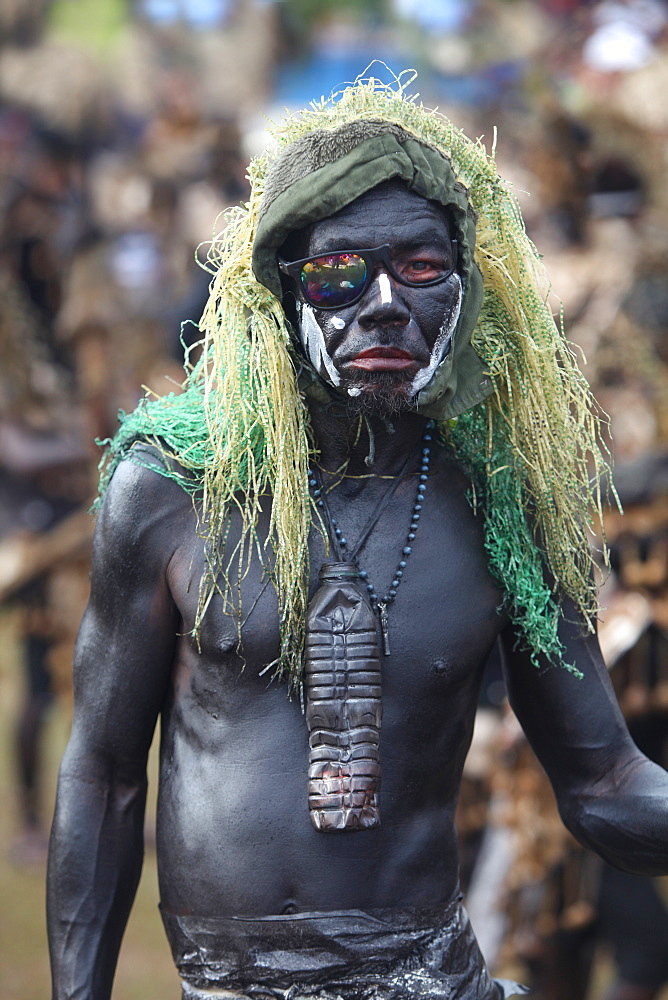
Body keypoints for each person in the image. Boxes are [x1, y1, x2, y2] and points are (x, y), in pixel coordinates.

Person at [47, 73, 668, 1000]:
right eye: (341, 274)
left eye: (419, 270)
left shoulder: (503, 499)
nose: (383, 304)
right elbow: (102, 777)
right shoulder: (173, 487)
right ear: (279, 290)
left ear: (463, 291)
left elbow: (605, 780)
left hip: (430, 975)